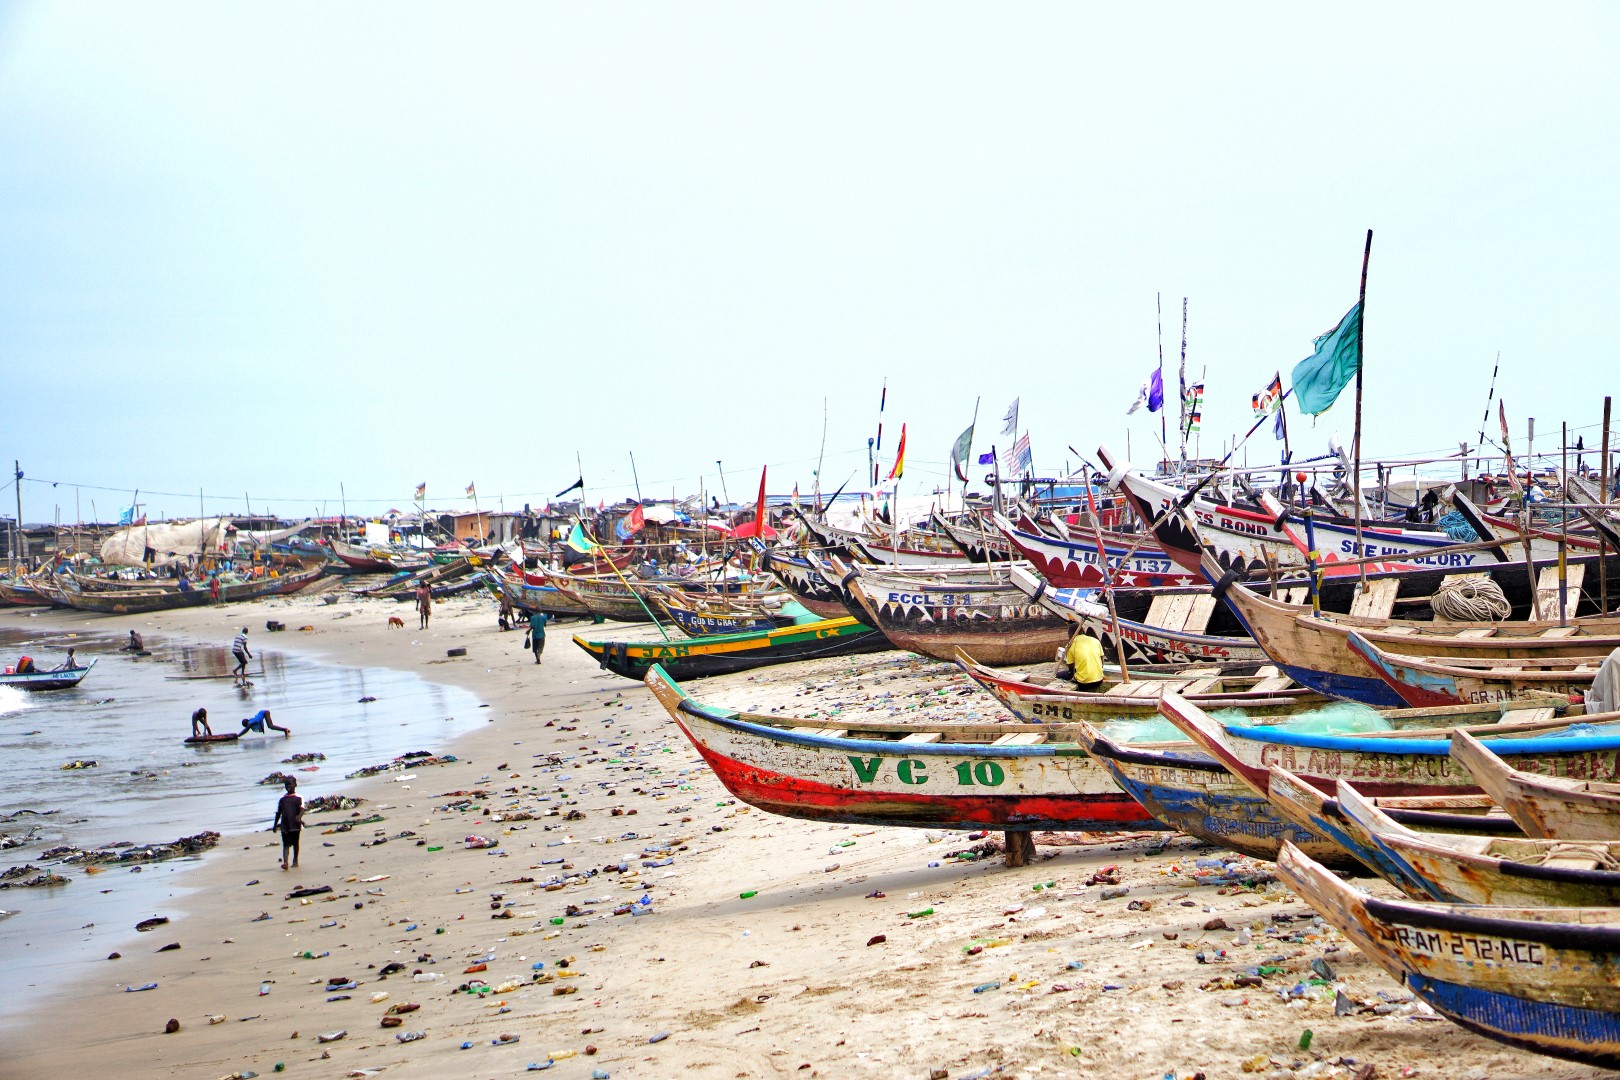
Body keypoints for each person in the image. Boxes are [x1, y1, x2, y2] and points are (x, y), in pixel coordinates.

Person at [271, 776, 303, 870]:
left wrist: (299, 817)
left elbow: (302, 809)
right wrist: (275, 825)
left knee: (295, 843)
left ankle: (295, 860)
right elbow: (278, 813)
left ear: (295, 785)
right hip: (285, 825)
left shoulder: (299, 798)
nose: (288, 786)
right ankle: (285, 863)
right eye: (286, 785)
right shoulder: (282, 800)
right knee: (285, 845)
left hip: (295, 825)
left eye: (290, 784)